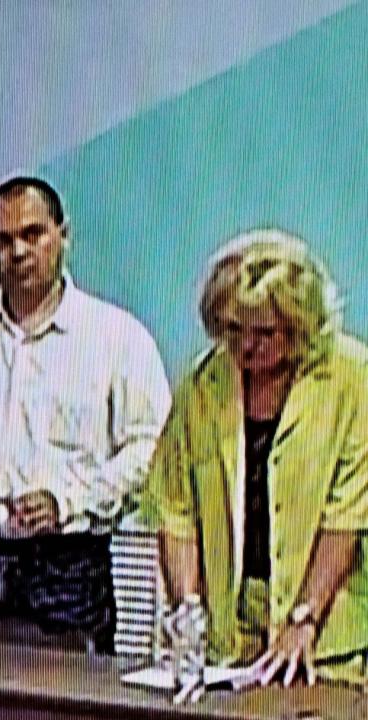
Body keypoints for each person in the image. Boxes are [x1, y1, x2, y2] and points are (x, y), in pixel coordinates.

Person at [0, 176, 171, 651]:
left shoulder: (116, 338)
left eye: (32, 235)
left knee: (64, 703)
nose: (17, 252)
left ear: (63, 235)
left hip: (65, 564)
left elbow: (148, 449)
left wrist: (68, 500)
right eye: (1, 241)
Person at [143, 229, 368, 688]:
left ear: (300, 324)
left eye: (264, 332)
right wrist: (187, 611)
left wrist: (304, 619)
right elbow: (175, 508)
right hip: (230, 630)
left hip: (325, 634)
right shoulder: (203, 385)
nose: (246, 347)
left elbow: (346, 515)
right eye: (233, 330)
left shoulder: (351, 379)